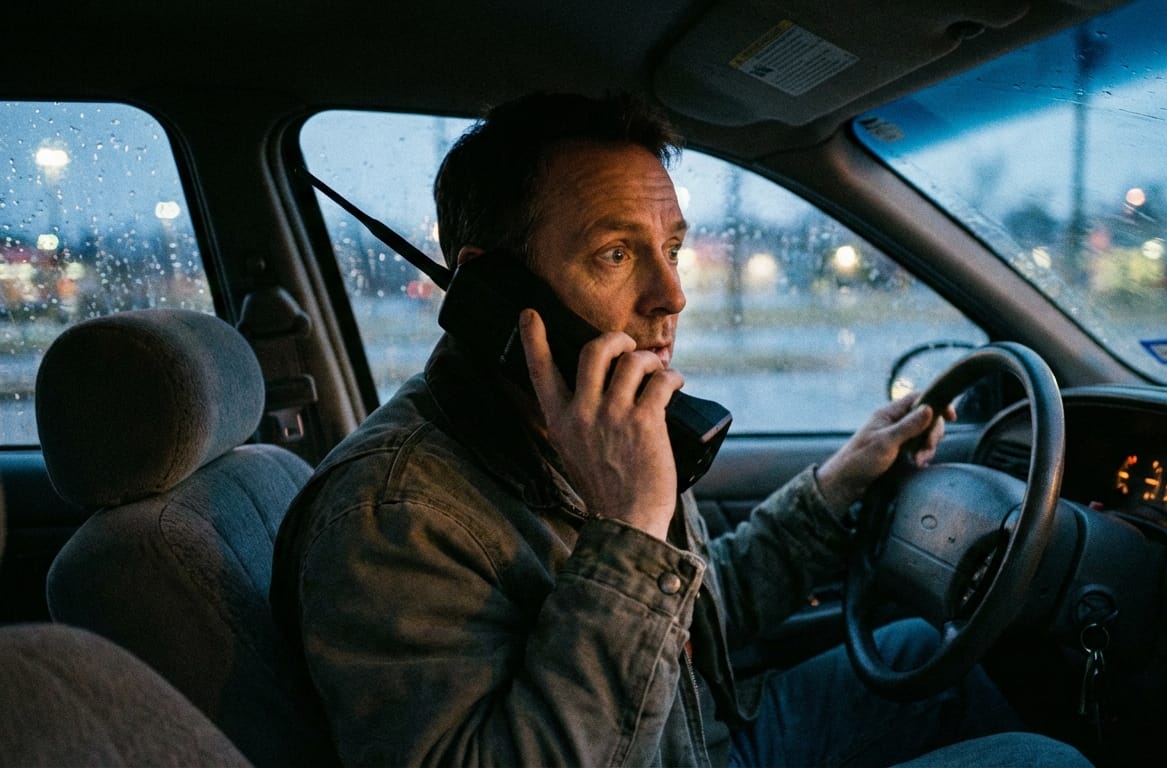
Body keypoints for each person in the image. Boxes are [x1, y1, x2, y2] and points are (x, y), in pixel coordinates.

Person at [270, 92, 1089, 768]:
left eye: (670, 248)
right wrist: (629, 526)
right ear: (492, 292)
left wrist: (836, 485)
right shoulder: (392, 514)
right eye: (616, 254)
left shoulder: (595, 424)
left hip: (701, 737)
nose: (673, 295)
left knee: (922, 654)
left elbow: (695, 615)